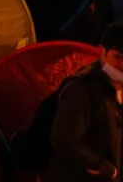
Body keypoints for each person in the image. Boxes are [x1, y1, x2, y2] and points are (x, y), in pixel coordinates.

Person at [36, 22, 123, 181]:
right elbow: (64, 139)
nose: (122, 66)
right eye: (118, 57)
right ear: (102, 52)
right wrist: (101, 165)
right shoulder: (82, 88)